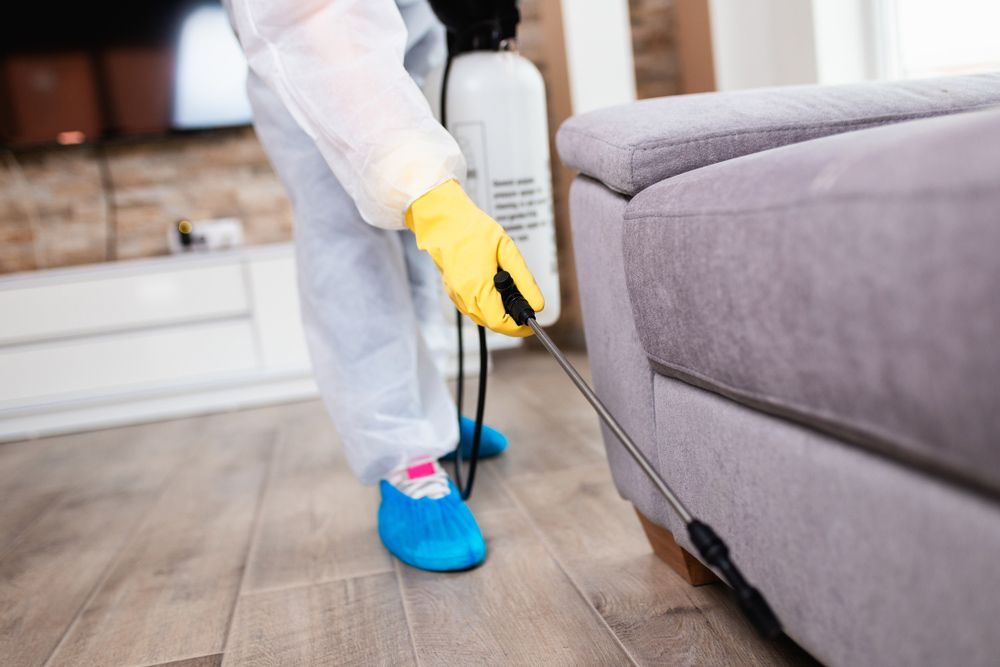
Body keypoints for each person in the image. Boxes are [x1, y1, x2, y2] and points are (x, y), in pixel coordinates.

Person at [223, 0, 544, 571]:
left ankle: (431, 413)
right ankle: (404, 452)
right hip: (315, 39)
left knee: (413, 211)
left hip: (405, 22)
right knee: (349, 221)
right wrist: (427, 192)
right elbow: (315, 25)